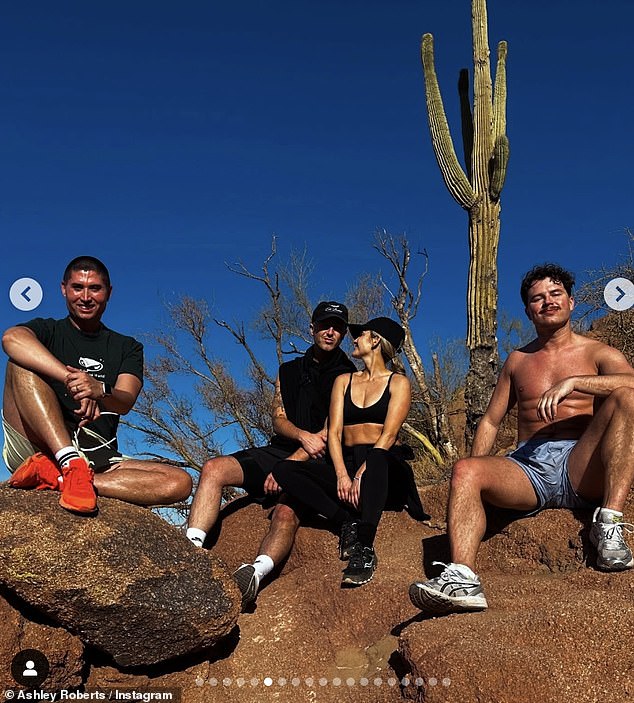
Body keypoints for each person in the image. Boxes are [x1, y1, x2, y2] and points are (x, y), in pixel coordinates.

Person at [409, 263, 634, 615]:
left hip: (581, 463)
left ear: (572, 302)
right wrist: (476, 473)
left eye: (555, 294)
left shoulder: (599, 353)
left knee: (627, 397)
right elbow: (490, 422)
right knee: (467, 470)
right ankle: (464, 579)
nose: (547, 302)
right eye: (537, 298)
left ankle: (607, 525)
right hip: (528, 466)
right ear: (528, 310)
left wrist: (575, 382)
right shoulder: (517, 360)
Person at [186, 301, 355, 607]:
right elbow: (277, 418)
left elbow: (332, 432)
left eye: (338, 327)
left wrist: (288, 467)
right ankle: (188, 553)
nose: (331, 332)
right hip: (283, 448)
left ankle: (255, 572)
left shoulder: (348, 375)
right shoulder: (288, 370)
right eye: (325, 325)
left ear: (343, 334)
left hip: (322, 458)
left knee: (285, 511)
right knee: (214, 468)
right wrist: (300, 436)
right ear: (312, 328)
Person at [2, 255, 192, 514]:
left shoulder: (128, 347)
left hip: (98, 456)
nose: (85, 297)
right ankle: (69, 463)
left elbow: (125, 400)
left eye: (95, 288)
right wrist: (73, 381)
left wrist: (99, 390)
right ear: (64, 289)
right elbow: (12, 338)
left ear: (109, 292)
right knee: (20, 362)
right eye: (77, 287)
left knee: (180, 482)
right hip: (36, 446)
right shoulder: (47, 329)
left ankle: (60, 479)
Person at [273, 317, 429, 587]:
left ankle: (365, 547)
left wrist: (360, 474)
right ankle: (346, 520)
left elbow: (389, 436)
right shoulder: (343, 381)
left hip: (383, 465)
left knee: (379, 457)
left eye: (361, 335)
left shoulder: (398, 383)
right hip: (347, 460)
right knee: (284, 468)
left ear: (376, 340)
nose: (354, 339)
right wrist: (343, 476)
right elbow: (333, 433)